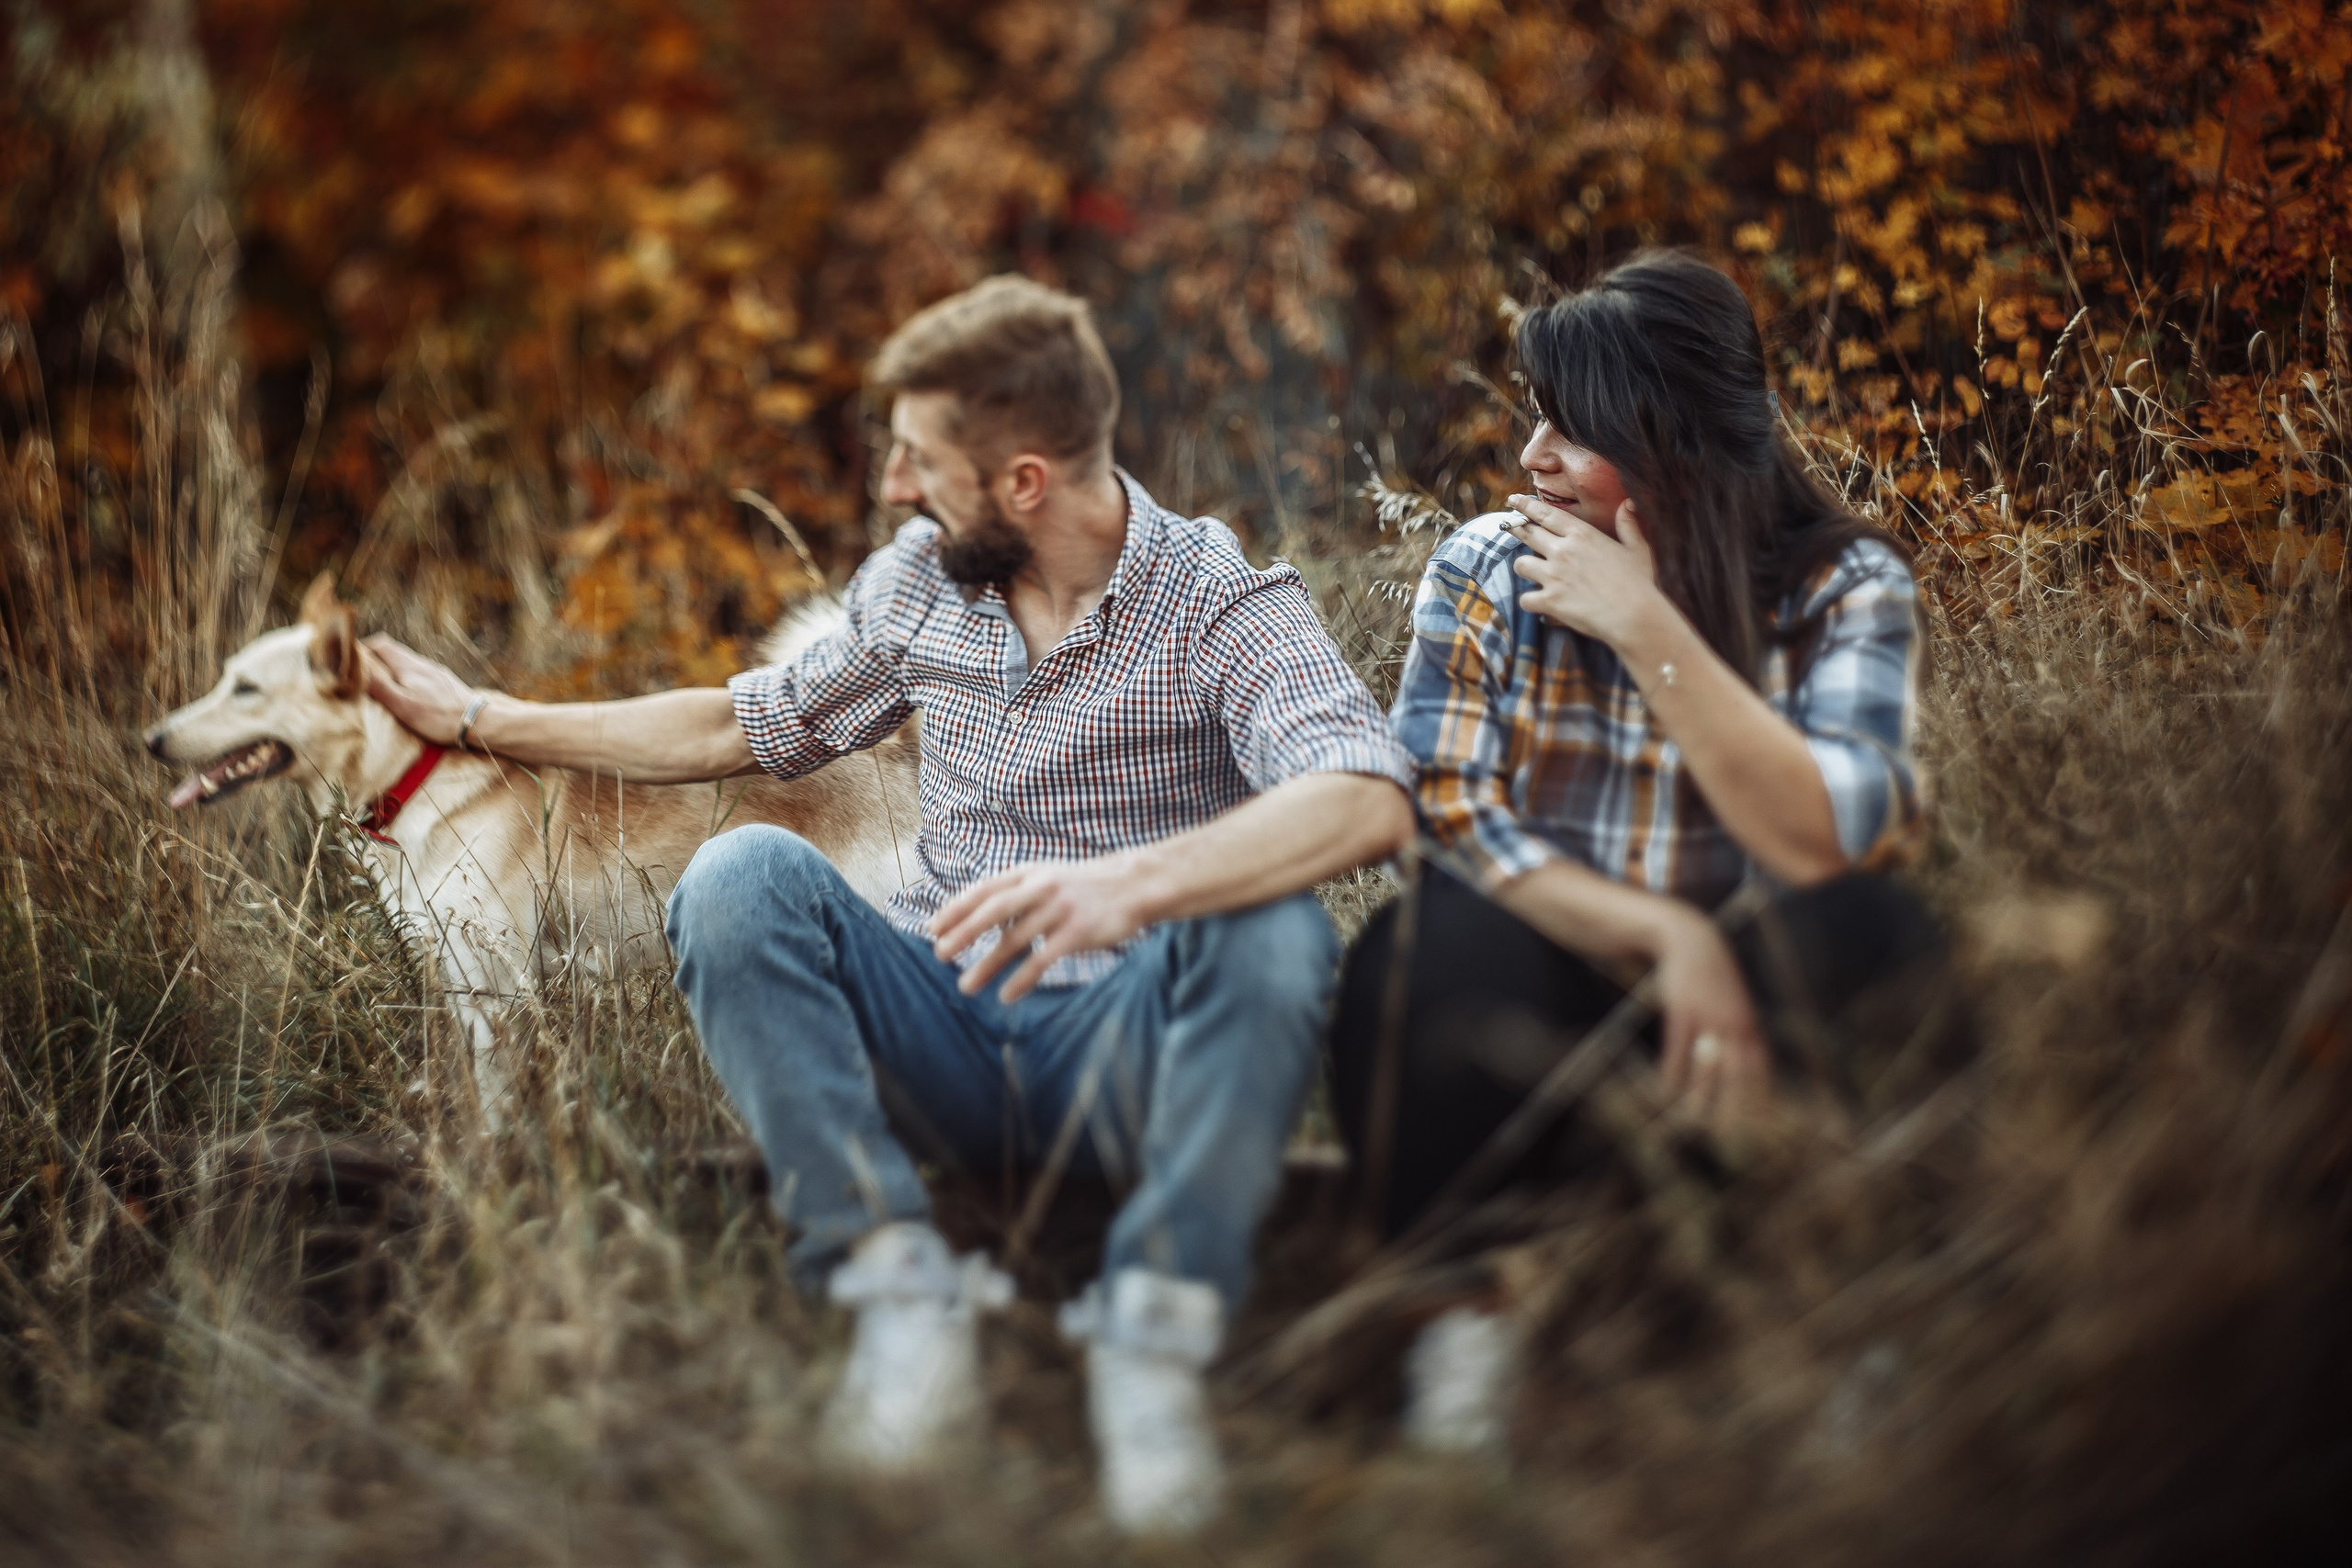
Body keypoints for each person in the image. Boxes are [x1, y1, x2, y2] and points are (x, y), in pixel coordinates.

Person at [366, 276, 1417, 1533]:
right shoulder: (922, 585)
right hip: (945, 1024)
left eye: (918, 460)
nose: (894, 488)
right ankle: (895, 1293)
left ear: (1023, 480)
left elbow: (1364, 795)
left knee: (1276, 926)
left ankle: (1152, 1341)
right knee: (739, 877)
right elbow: (734, 723)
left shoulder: (1222, 602)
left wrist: (1132, 883)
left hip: (1128, 1048)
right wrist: (482, 718)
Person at [1327, 251, 1963, 1452]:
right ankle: (1468, 1331)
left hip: (1748, 1055)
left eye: (1574, 430)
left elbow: (1834, 836)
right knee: (1426, 945)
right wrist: (1667, 937)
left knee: (1880, 934)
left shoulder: (1842, 584)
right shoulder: (1483, 570)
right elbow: (1447, 817)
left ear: (1669, 438)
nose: (1533, 460)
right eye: (1537, 423)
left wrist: (1644, 626)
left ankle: (1853, 1338)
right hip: (1551, 1029)